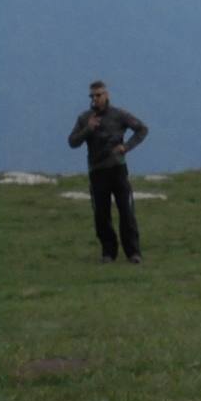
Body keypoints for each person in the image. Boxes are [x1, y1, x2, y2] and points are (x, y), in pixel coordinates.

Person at [67, 80, 149, 264]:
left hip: (118, 169)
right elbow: (72, 142)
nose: (95, 99)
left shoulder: (119, 115)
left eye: (98, 95)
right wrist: (88, 129)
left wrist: (126, 147)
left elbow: (142, 129)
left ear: (106, 95)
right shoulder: (85, 118)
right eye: (92, 96)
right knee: (101, 215)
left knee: (126, 211)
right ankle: (108, 253)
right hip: (97, 172)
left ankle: (133, 253)